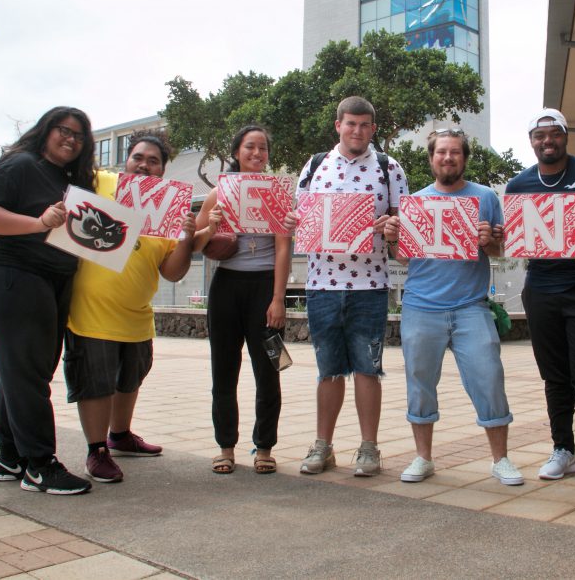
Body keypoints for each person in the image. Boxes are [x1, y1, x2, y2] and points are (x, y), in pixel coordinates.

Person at [384, 129, 524, 486]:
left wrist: (488, 242)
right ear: (431, 159)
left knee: (489, 377)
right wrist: (392, 238)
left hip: (471, 306)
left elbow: (499, 251)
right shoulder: (414, 201)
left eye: (455, 152)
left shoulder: (486, 197)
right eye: (441, 152)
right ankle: (423, 458)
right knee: (419, 382)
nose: (448, 158)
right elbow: (402, 256)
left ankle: (501, 459)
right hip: (420, 306)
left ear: (464, 157)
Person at [0, 106, 96, 495]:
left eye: (79, 136)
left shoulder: (68, 180)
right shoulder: (20, 164)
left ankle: (9, 456)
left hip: (53, 279)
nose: (70, 139)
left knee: (26, 371)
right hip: (14, 275)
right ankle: (40, 466)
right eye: (64, 130)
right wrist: (38, 224)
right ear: (46, 131)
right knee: (27, 372)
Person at [287, 96, 408, 477]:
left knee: (368, 368)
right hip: (322, 284)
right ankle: (323, 445)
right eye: (350, 123)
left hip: (370, 285)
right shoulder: (315, 165)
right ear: (337, 125)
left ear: (373, 129)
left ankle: (369, 448)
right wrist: (294, 221)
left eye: (364, 125)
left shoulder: (390, 169)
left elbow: (404, 238)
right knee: (328, 370)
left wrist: (392, 231)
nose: (357, 130)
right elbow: (300, 216)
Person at [64, 131, 195, 483]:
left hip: (136, 315)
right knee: (95, 382)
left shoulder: (169, 208)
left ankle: (119, 435)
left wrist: (187, 236)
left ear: (163, 170)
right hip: (90, 311)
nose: (144, 165)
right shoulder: (100, 182)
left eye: (154, 161)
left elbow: (172, 272)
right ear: (126, 160)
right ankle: (97, 450)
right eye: (139, 157)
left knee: (130, 378)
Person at [505, 107, 575, 490]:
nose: (547, 141)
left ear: (565, 136)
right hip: (541, 288)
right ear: (531, 142)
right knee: (554, 377)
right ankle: (562, 450)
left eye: (554, 134)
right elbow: (514, 237)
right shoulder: (518, 185)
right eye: (540, 136)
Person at [193, 125, 291, 475]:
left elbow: (283, 247)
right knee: (224, 369)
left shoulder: (277, 193)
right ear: (236, 152)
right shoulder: (218, 193)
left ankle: (264, 447)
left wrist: (279, 298)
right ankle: (225, 447)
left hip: (265, 286)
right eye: (250, 147)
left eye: (263, 148)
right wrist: (210, 225)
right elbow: (196, 244)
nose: (257, 153)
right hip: (226, 286)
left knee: (271, 368)